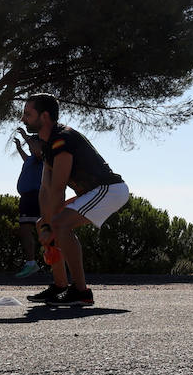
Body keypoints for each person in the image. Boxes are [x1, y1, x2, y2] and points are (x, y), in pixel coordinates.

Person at [20, 93, 130, 307]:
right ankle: (60, 285)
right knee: (47, 223)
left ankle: (81, 292)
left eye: (27, 114)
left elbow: (58, 190)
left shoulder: (62, 139)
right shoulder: (48, 145)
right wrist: (45, 224)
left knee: (59, 224)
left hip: (109, 190)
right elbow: (46, 189)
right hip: (92, 193)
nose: (23, 119)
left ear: (44, 116)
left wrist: (51, 226)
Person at [12, 127, 45, 278]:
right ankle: (31, 263)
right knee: (26, 230)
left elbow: (35, 150)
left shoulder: (41, 157)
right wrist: (19, 148)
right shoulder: (32, 159)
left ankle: (54, 262)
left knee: (43, 230)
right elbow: (26, 157)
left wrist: (25, 135)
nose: (31, 145)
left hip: (35, 197)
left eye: (33, 143)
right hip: (26, 198)